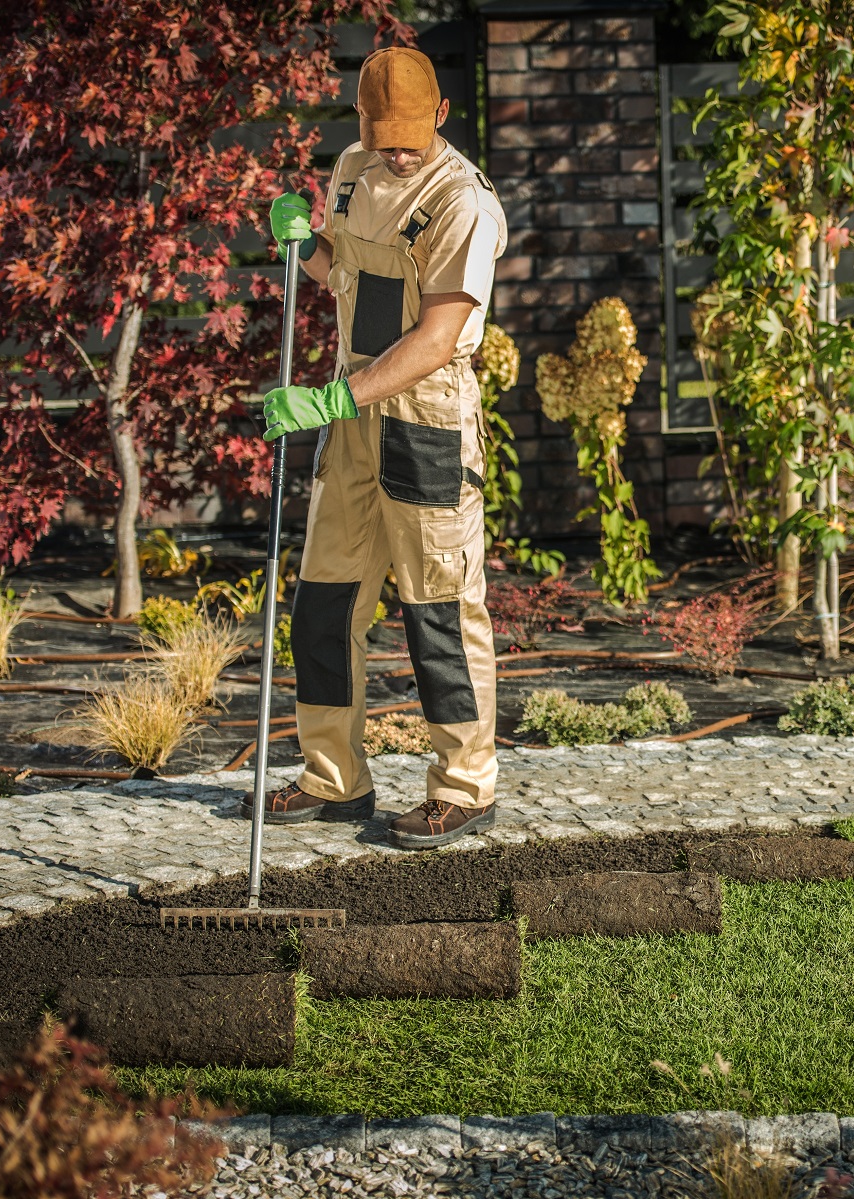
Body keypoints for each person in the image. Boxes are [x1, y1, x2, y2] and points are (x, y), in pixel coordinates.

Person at [251, 44, 506, 849]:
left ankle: (464, 786)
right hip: (352, 414)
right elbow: (343, 278)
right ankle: (334, 779)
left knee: (437, 610)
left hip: (424, 421)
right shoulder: (354, 170)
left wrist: (331, 396)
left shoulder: (463, 201)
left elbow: (435, 338)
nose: (398, 150)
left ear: (441, 115)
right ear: (360, 118)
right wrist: (299, 242)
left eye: (411, 136)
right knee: (323, 602)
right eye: (382, 133)